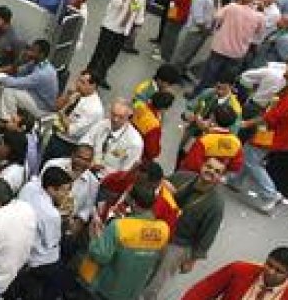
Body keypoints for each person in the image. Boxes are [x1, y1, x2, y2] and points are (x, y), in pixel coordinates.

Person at [228, 59, 288, 212]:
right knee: (248, 154)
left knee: (251, 160)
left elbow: (271, 117)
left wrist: (247, 123)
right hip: (275, 133)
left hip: (273, 134)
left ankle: (270, 194)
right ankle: (235, 181)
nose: (286, 69)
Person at [142, 158, 229, 300]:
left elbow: (208, 235)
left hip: (179, 243)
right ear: (202, 165)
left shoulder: (216, 204)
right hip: (158, 228)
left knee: (157, 280)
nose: (211, 171)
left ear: (220, 178)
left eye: (217, 171)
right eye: (209, 166)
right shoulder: (182, 176)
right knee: (142, 265)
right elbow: (158, 185)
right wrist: (164, 185)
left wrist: (192, 260)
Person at [78, 181, 169, 300]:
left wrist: (95, 237)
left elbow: (101, 256)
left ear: (133, 202)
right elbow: (158, 261)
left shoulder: (119, 226)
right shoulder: (163, 229)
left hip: (107, 289)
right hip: (132, 291)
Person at [9, 166, 74, 298]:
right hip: (39, 260)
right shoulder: (51, 215)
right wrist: (65, 222)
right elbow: (52, 241)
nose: (67, 195)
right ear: (51, 189)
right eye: (64, 191)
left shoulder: (29, 187)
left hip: (19, 244)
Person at [87, 0, 148, 88]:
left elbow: (140, 7)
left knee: (112, 56)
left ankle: (101, 75)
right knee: (100, 52)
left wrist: (138, 22)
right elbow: (116, 4)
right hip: (111, 25)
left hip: (125, 28)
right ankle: (90, 73)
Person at [180, 246, 288, 300]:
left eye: (279, 271)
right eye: (269, 264)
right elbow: (202, 291)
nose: (270, 271)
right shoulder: (239, 269)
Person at [0, 39, 58, 121]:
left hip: (42, 107)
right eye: (30, 49)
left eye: (33, 51)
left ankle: (8, 122)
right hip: (33, 95)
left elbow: (18, 83)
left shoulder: (43, 73)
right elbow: (17, 72)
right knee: (1, 83)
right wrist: (20, 60)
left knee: (9, 91)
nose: (29, 52)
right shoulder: (37, 63)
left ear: (41, 54)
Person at [82, 100, 144, 178]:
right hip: (86, 168)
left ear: (129, 116)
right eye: (113, 115)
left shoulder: (135, 142)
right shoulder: (102, 124)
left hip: (107, 181)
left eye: (121, 117)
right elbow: (85, 142)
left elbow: (126, 171)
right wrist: (89, 162)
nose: (115, 119)